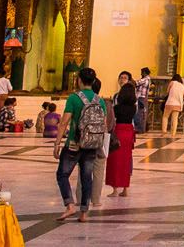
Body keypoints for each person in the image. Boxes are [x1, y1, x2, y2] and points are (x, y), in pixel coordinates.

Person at [57, 68, 110, 222]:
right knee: (87, 177)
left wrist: (57, 143)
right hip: (92, 145)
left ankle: (70, 205)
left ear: (79, 80)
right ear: (93, 82)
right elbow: (104, 124)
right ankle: (84, 213)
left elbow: (64, 122)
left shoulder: (74, 98)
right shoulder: (99, 100)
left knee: (62, 174)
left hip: (74, 143)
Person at [109, 71, 140, 198]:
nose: (122, 80)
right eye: (120, 77)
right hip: (129, 131)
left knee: (115, 160)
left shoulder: (117, 107)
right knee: (127, 160)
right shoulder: (133, 106)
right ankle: (125, 188)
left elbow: (112, 118)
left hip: (119, 130)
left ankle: (115, 189)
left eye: (124, 78)